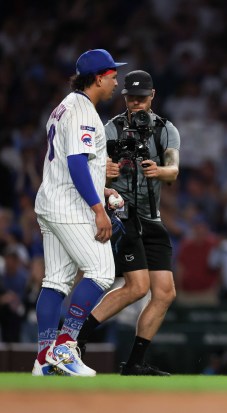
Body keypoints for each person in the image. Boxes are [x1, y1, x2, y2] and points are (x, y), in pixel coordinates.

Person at [76, 70, 180, 376]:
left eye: (141, 97)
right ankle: (74, 339)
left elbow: (173, 169)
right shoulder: (110, 129)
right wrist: (104, 172)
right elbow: (91, 169)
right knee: (137, 287)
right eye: (131, 97)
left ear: (152, 96)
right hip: (124, 214)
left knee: (164, 293)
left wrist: (159, 171)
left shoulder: (165, 128)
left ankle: (135, 362)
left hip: (153, 218)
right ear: (124, 98)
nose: (136, 103)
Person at [33, 49, 126, 376]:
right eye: (113, 75)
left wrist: (101, 188)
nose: (117, 81)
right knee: (102, 272)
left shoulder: (64, 108)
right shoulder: (84, 110)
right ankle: (64, 346)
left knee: (56, 281)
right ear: (99, 77)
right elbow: (75, 164)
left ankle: (44, 359)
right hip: (69, 205)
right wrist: (98, 209)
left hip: (52, 201)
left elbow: (71, 164)